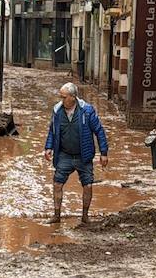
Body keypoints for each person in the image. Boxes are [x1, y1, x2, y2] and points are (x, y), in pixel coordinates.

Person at [43, 82, 110, 224]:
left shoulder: (87, 111)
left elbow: (99, 131)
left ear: (73, 97)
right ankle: (56, 215)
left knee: (88, 185)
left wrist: (103, 153)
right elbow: (52, 131)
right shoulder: (57, 111)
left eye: (64, 97)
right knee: (57, 184)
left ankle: (85, 216)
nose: (61, 100)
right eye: (61, 97)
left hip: (83, 156)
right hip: (64, 155)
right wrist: (48, 147)